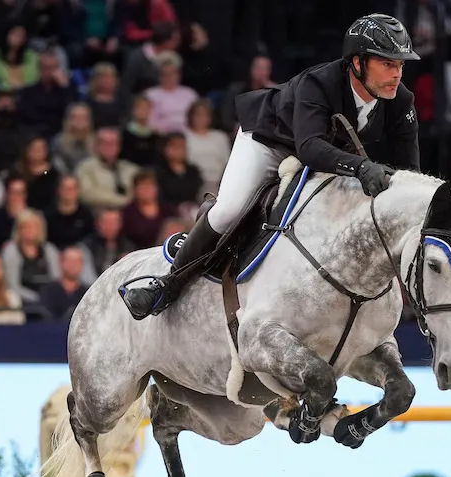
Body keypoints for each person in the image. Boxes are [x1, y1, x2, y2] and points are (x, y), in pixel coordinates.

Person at [119, 14, 422, 320]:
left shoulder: (400, 101)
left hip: (327, 156)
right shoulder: (319, 84)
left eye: (400, 65)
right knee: (229, 209)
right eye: (387, 64)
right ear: (357, 63)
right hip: (267, 142)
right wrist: (363, 167)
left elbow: (410, 171)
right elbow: (310, 147)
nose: (397, 74)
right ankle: (167, 285)